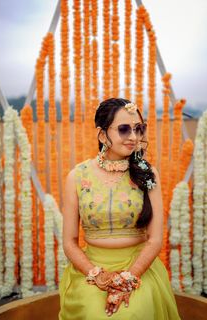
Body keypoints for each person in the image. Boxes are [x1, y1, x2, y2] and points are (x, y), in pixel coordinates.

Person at [59, 98, 180, 319]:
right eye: (124, 129)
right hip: (91, 269)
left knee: (132, 311)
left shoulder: (147, 174)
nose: (134, 137)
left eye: (138, 129)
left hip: (138, 267)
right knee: (93, 312)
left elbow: (155, 240)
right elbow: (69, 242)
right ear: (103, 134)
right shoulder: (77, 176)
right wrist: (97, 275)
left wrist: (127, 279)